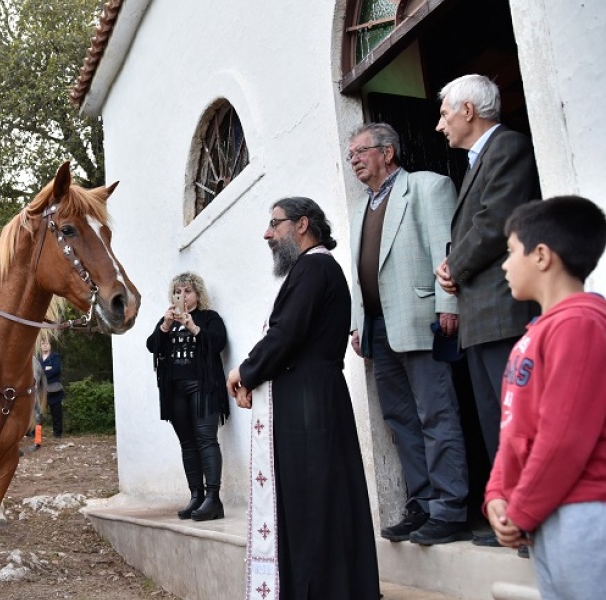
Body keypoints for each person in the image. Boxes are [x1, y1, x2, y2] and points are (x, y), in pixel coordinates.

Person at [227, 197, 379, 599]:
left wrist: (245, 371)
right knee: (319, 499)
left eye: (275, 223)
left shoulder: (314, 267)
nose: (267, 233)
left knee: (313, 502)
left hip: (310, 404)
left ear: (302, 224)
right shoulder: (312, 268)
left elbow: (287, 333)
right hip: (311, 396)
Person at [346, 122, 471, 545]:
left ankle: (451, 509)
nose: (354, 160)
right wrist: (358, 324)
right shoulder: (362, 208)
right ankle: (423, 503)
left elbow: (446, 252)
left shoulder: (427, 187)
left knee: (436, 413)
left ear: (388, 152)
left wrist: (448, 304)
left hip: (421, 321)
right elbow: (362, 274)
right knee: (400, 420)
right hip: (379, 329)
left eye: (361, 151)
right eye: (351, 155)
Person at [433, 75, 541, 546]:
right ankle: (510, 519)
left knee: (517, 422)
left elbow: (496, 220)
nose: (440, 126)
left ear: (468, 111)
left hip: (503, 313)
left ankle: (530, 521)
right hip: (481, 318)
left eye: (444, 115)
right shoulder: (480, 159)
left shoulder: (507, 147)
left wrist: (453, 264)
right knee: (497, 422)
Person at [485, 196, 606, 599]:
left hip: (583, 513)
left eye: (510, 251)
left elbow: (563, 438)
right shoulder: (537, 332)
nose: (505, 265)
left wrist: (520, 510)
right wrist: (497, 495)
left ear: (541, 255)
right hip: (543, 512)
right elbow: (514, 431)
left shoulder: (580, 324)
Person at [146, 272, 229, 521]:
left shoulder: (209, 317)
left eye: (188, 291)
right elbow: (152, 346)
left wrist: (193, 327)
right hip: (175, 390)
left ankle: (213, 499)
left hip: (203, 386)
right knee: (188, 444)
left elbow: (218, 343)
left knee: (206, 439)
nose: (182, 296)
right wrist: (165, 326)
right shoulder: (168, 320)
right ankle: (196, 495)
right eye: (178, 291)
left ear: (198, 294)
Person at [39, 339, 66, 439]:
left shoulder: (55, 357)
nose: (45, 345)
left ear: (50, 345)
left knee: (56, 413)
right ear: (40, 346)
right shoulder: (37, 358)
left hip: (54, 390)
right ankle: (36, 434)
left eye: (47, 343)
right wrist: (47, 369)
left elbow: (55, 370)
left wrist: (43, 372)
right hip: (40, 390)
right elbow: (35, 372)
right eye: (43, 344)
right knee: (38, 414)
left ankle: (57, 434)